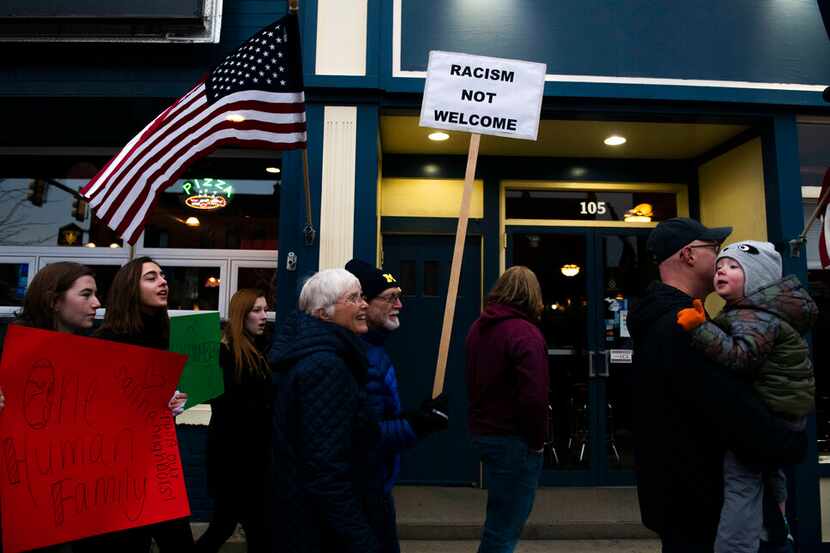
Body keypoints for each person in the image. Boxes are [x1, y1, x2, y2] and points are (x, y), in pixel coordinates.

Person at [627, 218, 808, 552]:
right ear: (689, 255)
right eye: (713, 250)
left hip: (679, 497)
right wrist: (790, 441)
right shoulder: (682, 326)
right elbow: (731, 409)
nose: (719, 257)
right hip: (704, 503)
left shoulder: (668, 319)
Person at [675, 240, 817, 553]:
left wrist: (700, 329)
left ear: (757, 278)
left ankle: (737, 547)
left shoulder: (754, 316)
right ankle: (777, 531)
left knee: (741, 483)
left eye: (734, 267)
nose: (722, 271)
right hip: (783, 417)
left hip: (766, 417)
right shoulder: (757, 312)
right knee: (768, 474)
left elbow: (740, 356)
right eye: (720, 266)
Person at [270, 269, 386, 553]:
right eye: (354, 299)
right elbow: (325, 469)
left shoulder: (324, 356)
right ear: (323, 314)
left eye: (363, 297)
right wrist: (363, 541)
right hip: (320, 529)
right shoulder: (326, 366)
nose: (364, 305)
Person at [83, 256, 192, 553]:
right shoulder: (106, 340)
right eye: (151, 277)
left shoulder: (168, 335)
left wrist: (174, 399)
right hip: (119, 469)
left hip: (160, 459)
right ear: (130, 288)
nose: (163, 281)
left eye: (163, 276)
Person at [344, 259, 449, 553]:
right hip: (363, 487)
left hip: (374, 483)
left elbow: (378, 415)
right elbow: (367, 436)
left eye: (399, 296)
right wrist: (418, 424)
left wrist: (415, 417)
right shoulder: (362, 358)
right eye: (390, 297)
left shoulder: (374, 350)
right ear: (363, 302)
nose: (400, 305)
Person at [0, 261, 101, 553]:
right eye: (86, 294)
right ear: (54, 301)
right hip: (17, 498)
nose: (96, 303)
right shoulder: (8, 346)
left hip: (65, 497)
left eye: (95, 294)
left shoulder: (91, 354)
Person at [464, 266, 549, 553]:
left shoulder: (478, 328)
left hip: (484, 432)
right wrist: (537, 442)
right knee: (505, 528)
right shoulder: (525, 334)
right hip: (515, 440)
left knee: (498, 520)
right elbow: (534, 398)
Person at [196, 289, 272, 553]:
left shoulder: (258, 349)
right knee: (226, 526)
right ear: (242, 315)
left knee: (255, 529)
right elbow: (229, 406)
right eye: (257, 310)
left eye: (265, 309)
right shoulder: (224, 353)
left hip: (254, 458)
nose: (265, 316)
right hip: (233, 458)